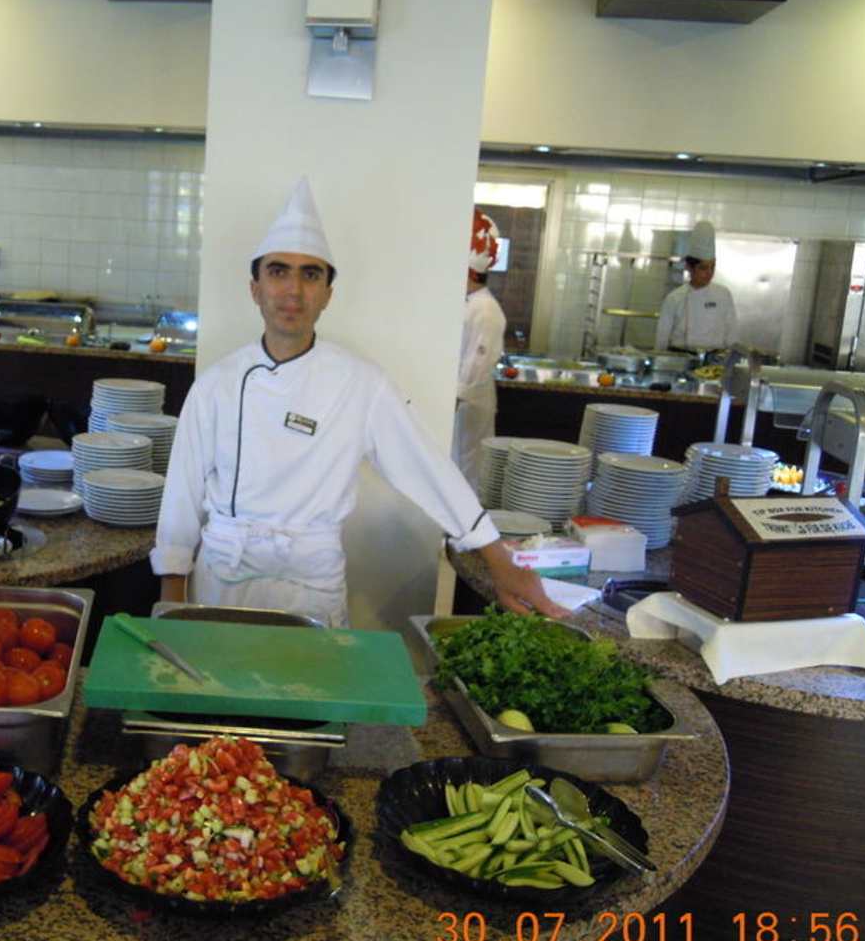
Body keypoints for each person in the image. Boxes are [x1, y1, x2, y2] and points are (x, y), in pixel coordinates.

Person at [150, 177, 566, 626]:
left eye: (311, 274)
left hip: (310, 590)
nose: (293, 290)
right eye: (278, 271)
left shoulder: (361, 384)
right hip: (222, 584)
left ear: (328, 294)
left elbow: (429, 469)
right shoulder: (216, 385)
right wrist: (172, 604)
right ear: (255, 288)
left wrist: (498, 557)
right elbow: (181, 496)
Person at [453, 209, 507, 490]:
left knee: (468, 466)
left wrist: (456, 396)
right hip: (462, 402)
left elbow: (479, 361)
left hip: (470, 403)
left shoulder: (485, 309)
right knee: (458, 463)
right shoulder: (469, 303)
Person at [654, 220, 738, 352]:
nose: (709, 273)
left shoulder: (723, 295)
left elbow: (732, 335)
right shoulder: (674, 298)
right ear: (689, 267)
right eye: (703, 268)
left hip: (714, 360)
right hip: (680, 358)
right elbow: (662, 339)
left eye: (712, 266)